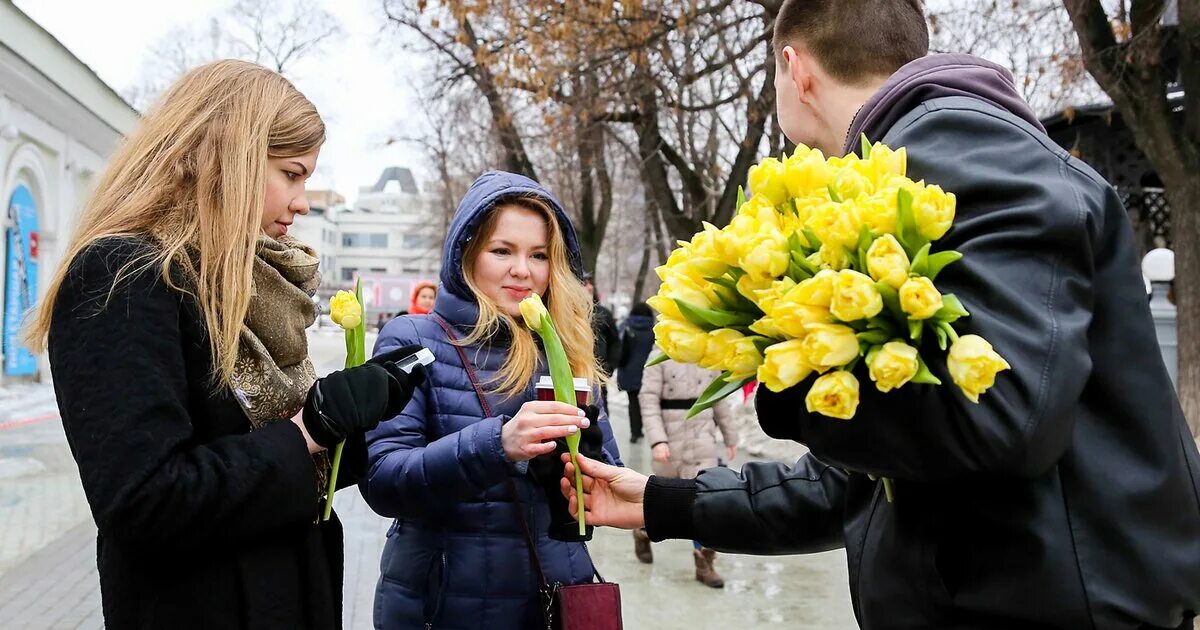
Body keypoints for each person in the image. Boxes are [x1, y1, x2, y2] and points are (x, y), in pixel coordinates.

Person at [560, 2, 1200, 628]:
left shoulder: (962, 151)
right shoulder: (915, 166)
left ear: (796, 68)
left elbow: (1004, 420)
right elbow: (874, 477)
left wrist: (791, 368)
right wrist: (663, 503)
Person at [26, 60, 424, 629]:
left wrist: (360, 414)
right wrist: (309, 430)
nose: (304, 201)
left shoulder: (242, 283)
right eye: (291, 173)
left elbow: (263, 448)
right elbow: (144, 503)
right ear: (229, 159)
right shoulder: (122, 277)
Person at [361, 171, 623, 629]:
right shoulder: (413, 339)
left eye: (539, 255)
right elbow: (384, 480)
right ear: (466, 254)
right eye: (502, 250)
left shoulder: (566, 348)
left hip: (551, 597)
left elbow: (600, 493)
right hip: (444, 605)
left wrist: (586, 460)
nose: (523, 270)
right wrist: (498, 444)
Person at [634, 360, 737, 587]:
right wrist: (658, 440)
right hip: (671, 441)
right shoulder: (658, 357)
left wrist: (730, 437)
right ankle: (642, 530)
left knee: (703, 500)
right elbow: (648, 400)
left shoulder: (706, 355)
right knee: (664, 503)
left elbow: (719, 399)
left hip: (703, 439)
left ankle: (705, 563)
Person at [615, 302, 655, 443]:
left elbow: (623, 352)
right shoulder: (654, 331)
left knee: (633, 402)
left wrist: (620, 366)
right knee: (649, 402)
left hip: (631, 371)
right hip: (650, 371)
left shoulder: (628, 329)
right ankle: (648, 430)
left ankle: (635, 432)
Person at [582, 271, 620, 407]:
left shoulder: (603, 314)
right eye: (585, 283)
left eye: (590, 283)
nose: (589, 287)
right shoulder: (566, 313)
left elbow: (615, 343)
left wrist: (607, 369)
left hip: (598, 378)